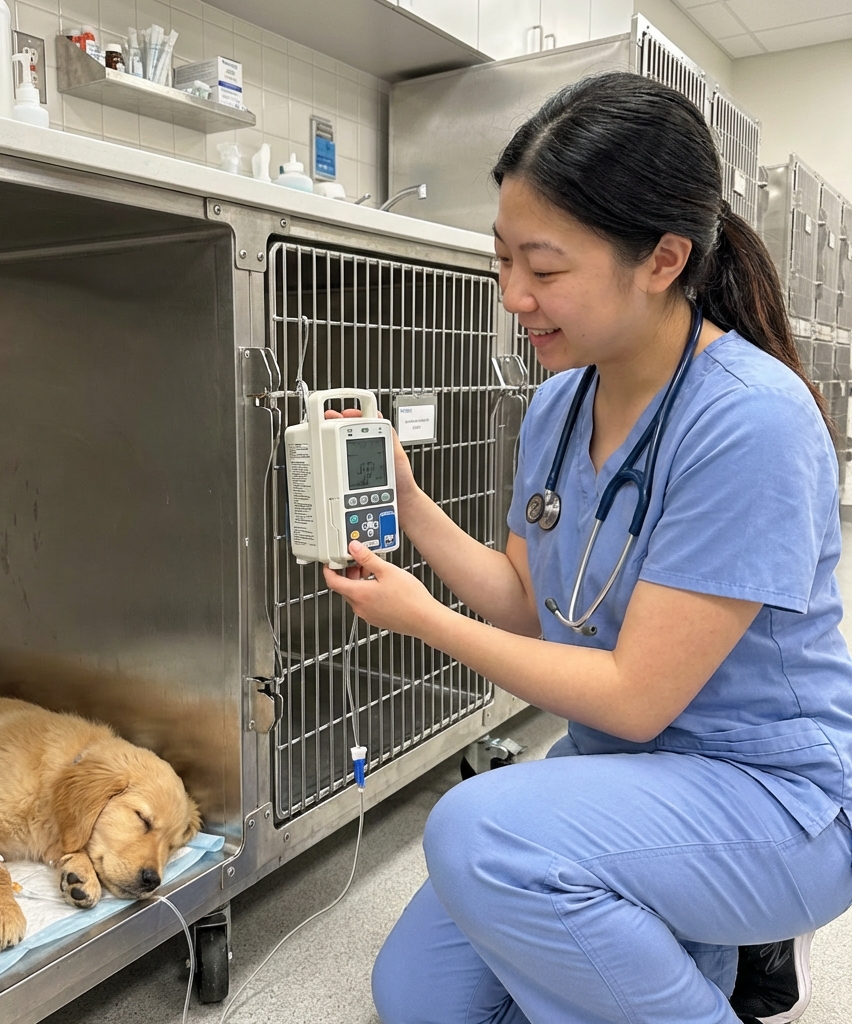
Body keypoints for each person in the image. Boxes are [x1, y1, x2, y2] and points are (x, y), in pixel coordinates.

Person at [323, 72, 852, 1024]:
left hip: (766, 798)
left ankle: (725, 941)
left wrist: (425, 621)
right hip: (625, 774)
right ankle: (689, 947)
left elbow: (638, 698)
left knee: (480, 836)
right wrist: (409, 512)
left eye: (546, 267)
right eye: (502, 260)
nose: (515, 295)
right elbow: (532, 604)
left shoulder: (751, 422)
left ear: (661, 259)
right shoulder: (560, 404)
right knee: (418, 999)